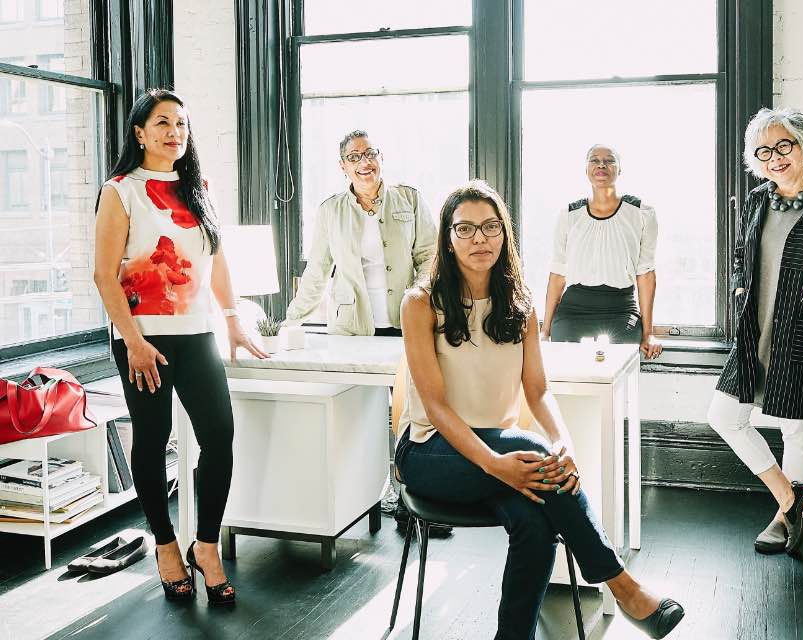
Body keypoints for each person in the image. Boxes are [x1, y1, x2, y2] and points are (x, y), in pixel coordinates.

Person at [397, 180, 685, 639]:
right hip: (431, 452)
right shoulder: (421, 303)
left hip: (498, 454)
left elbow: (538, 390)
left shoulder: (521, 302)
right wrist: (496, 464)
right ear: (448, 239)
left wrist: (564, 442)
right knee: (530, 447)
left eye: (490, 227)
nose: (479, 239)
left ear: (504, 235)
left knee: (534, 522)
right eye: (465, 229)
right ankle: (623, 586)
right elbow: (434, 405)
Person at [92, 89, 268, 605]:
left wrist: (233, 320)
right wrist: (133, 342)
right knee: (152, 438)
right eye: (163, 122)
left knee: (220, 433)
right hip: (141, 339)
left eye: (182, 124)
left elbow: (216, 260)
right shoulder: (120, 190)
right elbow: (104, 276)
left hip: (196, 334)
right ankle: (166, 547)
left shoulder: (198, 187)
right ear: (139, 132)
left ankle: (205, 546)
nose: (175, 132)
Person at [710, 108, 803, 556]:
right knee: (724, 417)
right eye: (764, 151)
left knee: (797, 431)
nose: (775, 157)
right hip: (755, 332)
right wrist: (737, 288)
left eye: (784, 145)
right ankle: (791, 500)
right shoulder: (757, 199)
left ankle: (781, 521)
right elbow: (740, 254)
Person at [285, 130, 436, 337]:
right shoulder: (330, 210)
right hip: (350, 327)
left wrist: (418, 295)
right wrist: (290, 322)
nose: (364, 163)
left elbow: (429, 256)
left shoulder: (410, 199)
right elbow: (316, 273)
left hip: (406, 320)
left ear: (380, 157)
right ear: (343, 166)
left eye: (370, 154)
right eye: (354, 157)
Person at [541, 144, 663, 359]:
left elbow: (645, 275)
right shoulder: (569, 215)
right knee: (567, 369)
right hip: (574, 309)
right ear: (586, 169)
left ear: (619, 169)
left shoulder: (642, 213)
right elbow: (558, 275)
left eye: (609, 160)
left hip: (620, 308)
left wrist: (648, 334)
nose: (601, 165)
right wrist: (545, 331)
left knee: (616, 369)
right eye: (594, 160)